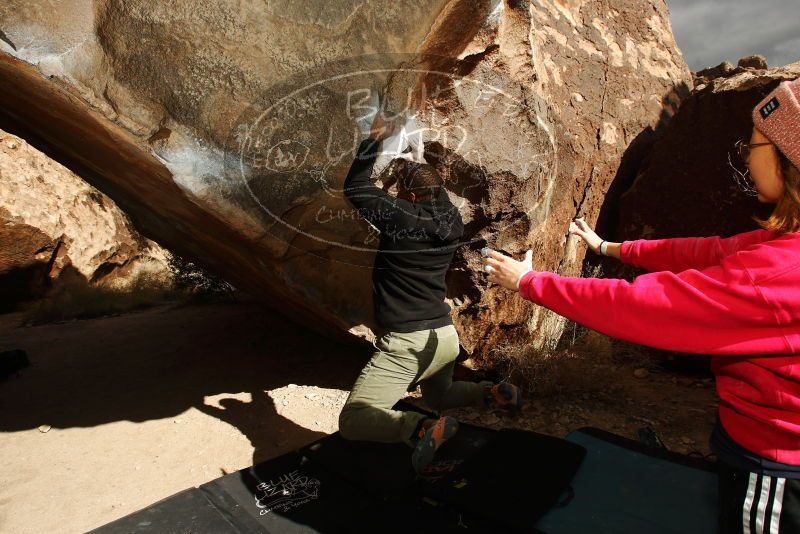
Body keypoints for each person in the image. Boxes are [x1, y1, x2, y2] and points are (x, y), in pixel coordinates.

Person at [482, 78, 800, 532]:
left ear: (788, 159)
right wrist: (611, 248)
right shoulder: (783, 245)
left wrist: (531, 282)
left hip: (776, 465)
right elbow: (706, 251)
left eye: (753, 145)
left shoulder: (776, 272)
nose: (747, 158)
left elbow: (645, 307)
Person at [338, 107, 521, 473]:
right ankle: (493, 393)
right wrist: (415, 162)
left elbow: (355, 188)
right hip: (442, 336)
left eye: (404, 193)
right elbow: (431, 192)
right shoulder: (452, 220)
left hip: (408, 342)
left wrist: (374, 139)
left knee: (354, 418)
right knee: (439, 394)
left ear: (410, 197)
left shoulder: (402, 217)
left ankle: (420, 428)